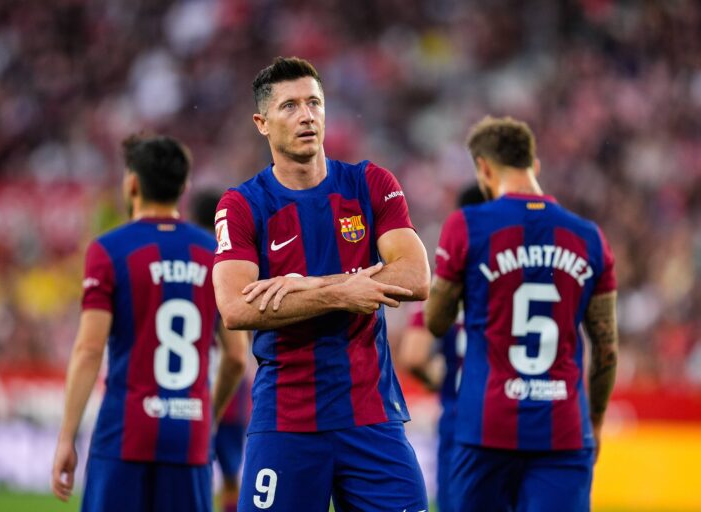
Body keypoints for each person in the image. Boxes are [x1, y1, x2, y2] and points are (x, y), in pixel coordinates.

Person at [212, 57, 431, 512]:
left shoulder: (370, 183)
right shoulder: (242, 204)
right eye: (290, 106)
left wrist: (301, 287)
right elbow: (235, 307)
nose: (307, 115)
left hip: (371, 416)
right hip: (286, 420)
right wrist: (341, 292)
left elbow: (415, 276)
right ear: (262, 123)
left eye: (314, 102)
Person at [425, 116, 619, 512]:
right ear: (535, 166)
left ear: (483, 167)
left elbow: (436, 321)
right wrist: (594, 421)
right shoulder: (589, 237)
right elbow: (607, 350)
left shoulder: (467, 226)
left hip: (485, 429)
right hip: (563, 431)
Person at [51, 135, 248, 512]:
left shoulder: (109, 250)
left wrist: (66, 437)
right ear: (184, 187)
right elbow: (237, 358)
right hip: (189, 435)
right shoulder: (213, 254)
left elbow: (90, 348)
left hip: (125, 433)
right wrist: (209, 418)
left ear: (132, 183)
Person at [398, 183, 484, 512]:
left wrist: (443, 379)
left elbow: (414, 355)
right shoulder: (523, 274)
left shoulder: (445, 283)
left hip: (461, 420)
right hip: (518, 417)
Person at [192, 189, 252, 512]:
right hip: (233, 388)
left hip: (197, 386)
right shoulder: (234, 263)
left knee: (196, 471)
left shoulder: (192, 260)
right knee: (231, 475)